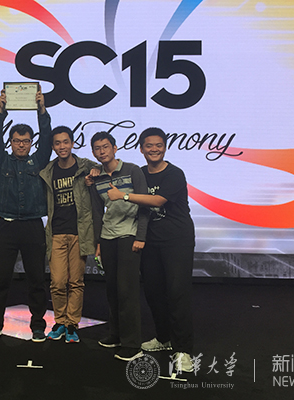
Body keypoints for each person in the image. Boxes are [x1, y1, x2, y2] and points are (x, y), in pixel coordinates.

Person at [105, 127, 195, 372]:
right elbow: (111, 169)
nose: (154, 149)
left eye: (158, 145)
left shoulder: (174, 173)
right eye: (149, 146)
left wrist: (124, 197)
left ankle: (183, 350)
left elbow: (157, 200)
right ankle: (164, 338)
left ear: (165, 147)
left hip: (177, 240)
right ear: (141, 149)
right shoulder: (140, 173)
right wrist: (93, 173)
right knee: (154, 293)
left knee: (177, 293)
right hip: (149, 242)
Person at [0, 88, 52, 342]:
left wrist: (41, 111)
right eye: (16, 141)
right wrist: (1, 112)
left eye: (25, 141)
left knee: (36, 279)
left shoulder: (39, 161)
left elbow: (47, 137)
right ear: (10, 143)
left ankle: (38, 325)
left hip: (33, 226)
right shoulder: (0, 161)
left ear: (31, 143)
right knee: (0, 279)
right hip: (6, 226)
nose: (21, 145)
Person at [87, 131, 148, 362]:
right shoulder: (96, 177)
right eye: (97, 148)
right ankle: (116, 334)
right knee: (112, 289)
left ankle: (132, 344)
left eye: (105, 147)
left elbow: (145, 204)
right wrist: (98, 241)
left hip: (129, 235)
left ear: (115, 148)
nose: (102, 151)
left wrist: (141, 236)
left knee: (127, 290)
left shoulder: (133, 170)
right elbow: (97, 212)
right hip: (108, 237)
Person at [39, 126, 96, 343]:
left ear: (72, 143)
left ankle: (72, 323)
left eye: (65, 142)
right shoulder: (48, 171)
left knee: (76, 282)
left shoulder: (85, 167)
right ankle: (60, 321)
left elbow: (102, 167)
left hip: (79, 232)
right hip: (56, 233)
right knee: (57, 282)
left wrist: (96, 172)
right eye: (57, 143)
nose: (62, 146)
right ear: (53, 146)